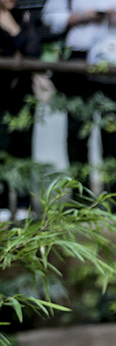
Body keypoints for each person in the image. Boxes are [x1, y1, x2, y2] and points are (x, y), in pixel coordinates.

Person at [42, 0, 116, 202]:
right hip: (78, 58)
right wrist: (81, 17)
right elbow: (50, 17)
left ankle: (113, 198)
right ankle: (80, 198)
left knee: (113, 132)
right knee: (77, 132)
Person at [0, 0, 41, 223]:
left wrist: (12, 29)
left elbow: (34, 52)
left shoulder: (24, 16)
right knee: (1, 148)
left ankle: (25, 204)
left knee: (23, 146)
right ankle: (3, 204)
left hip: (22, 95)